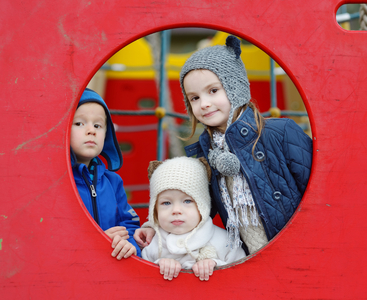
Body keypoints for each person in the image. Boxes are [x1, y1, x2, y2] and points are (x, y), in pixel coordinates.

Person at [136, 35, 313, 255]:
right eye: (194, 98)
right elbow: (195, 208)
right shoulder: (206, 153)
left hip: (299, 248)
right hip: (250, 259)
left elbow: (316, 191)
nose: (204, 104)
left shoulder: (280, 133)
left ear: (234, 88)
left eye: (213, 91)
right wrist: (154, 227)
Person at [141, 157, 245, 281]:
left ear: (203, 205)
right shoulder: (152, 243)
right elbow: (140, 278)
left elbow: (242, 273)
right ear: (155, 209)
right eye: (166, 203)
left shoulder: (225, 241)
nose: (176, 210)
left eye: (187, 201)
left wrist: (216, 265)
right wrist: (158, 265)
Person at [71, 88, 141, 260]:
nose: (91, 131)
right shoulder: (59, 181)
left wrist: (129, 245)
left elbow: (129, 225)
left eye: (97, 125)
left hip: (111, 267)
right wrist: (98, 241)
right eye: (79, 123)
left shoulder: (113, 181)